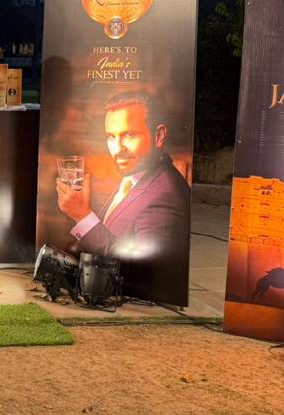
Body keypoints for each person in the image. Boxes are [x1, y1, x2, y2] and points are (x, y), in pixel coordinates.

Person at [55, 91, 190, 297]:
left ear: (159, 136)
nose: (117, 149)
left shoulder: (166, 195)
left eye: (129, 135)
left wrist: (83, 217)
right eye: (111, 136)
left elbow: (140, 270)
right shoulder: (136, 175)